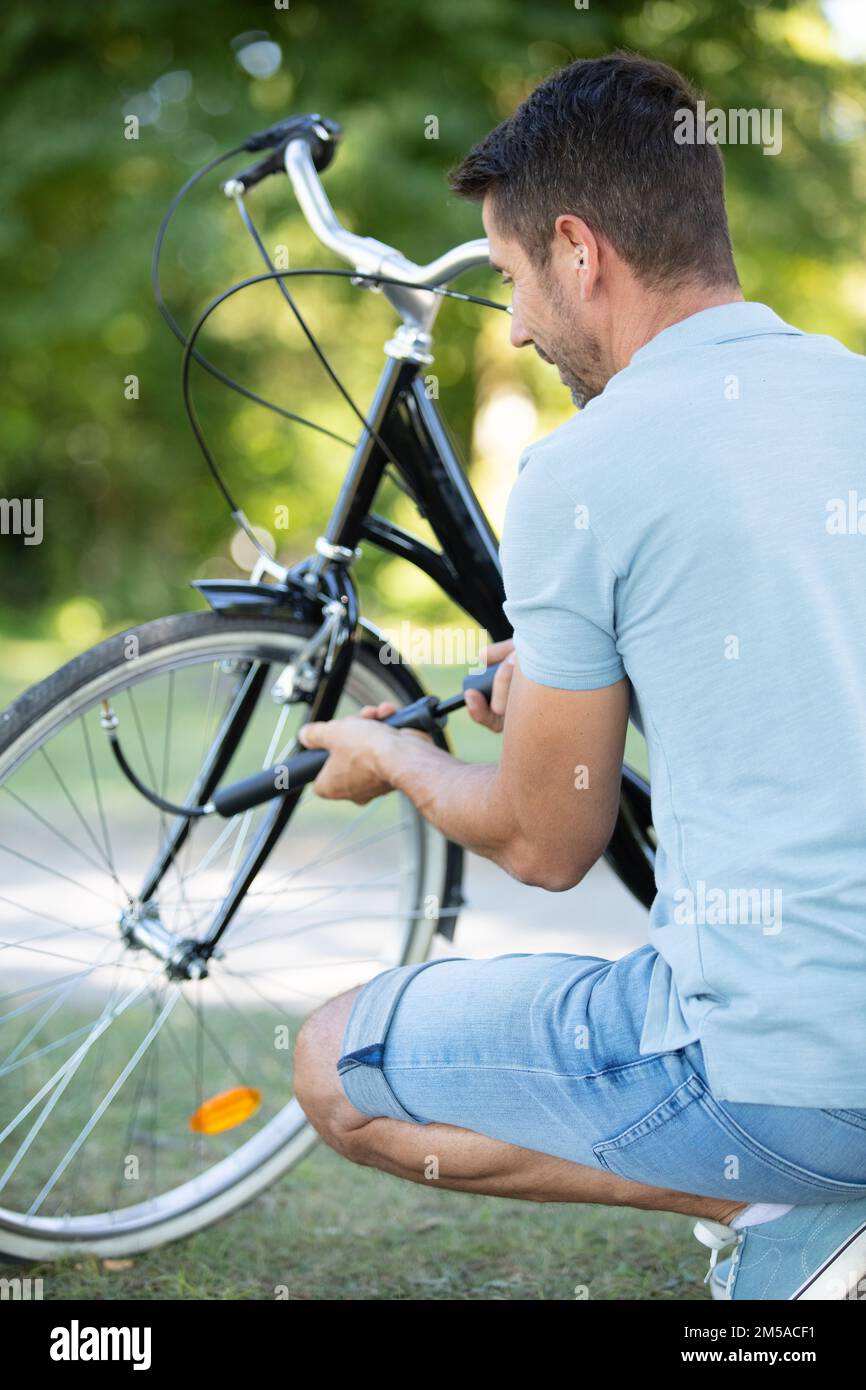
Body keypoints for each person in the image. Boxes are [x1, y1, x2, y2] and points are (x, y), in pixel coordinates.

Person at [292, 53, 866, 1300]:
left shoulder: (581, 468)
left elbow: (547, 843)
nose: (510, 325)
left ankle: (781, 1201)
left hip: (786, 1073)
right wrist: (590, 677)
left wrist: (395, 756)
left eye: (506, 279)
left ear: (575, 249)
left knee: (330, 1063)